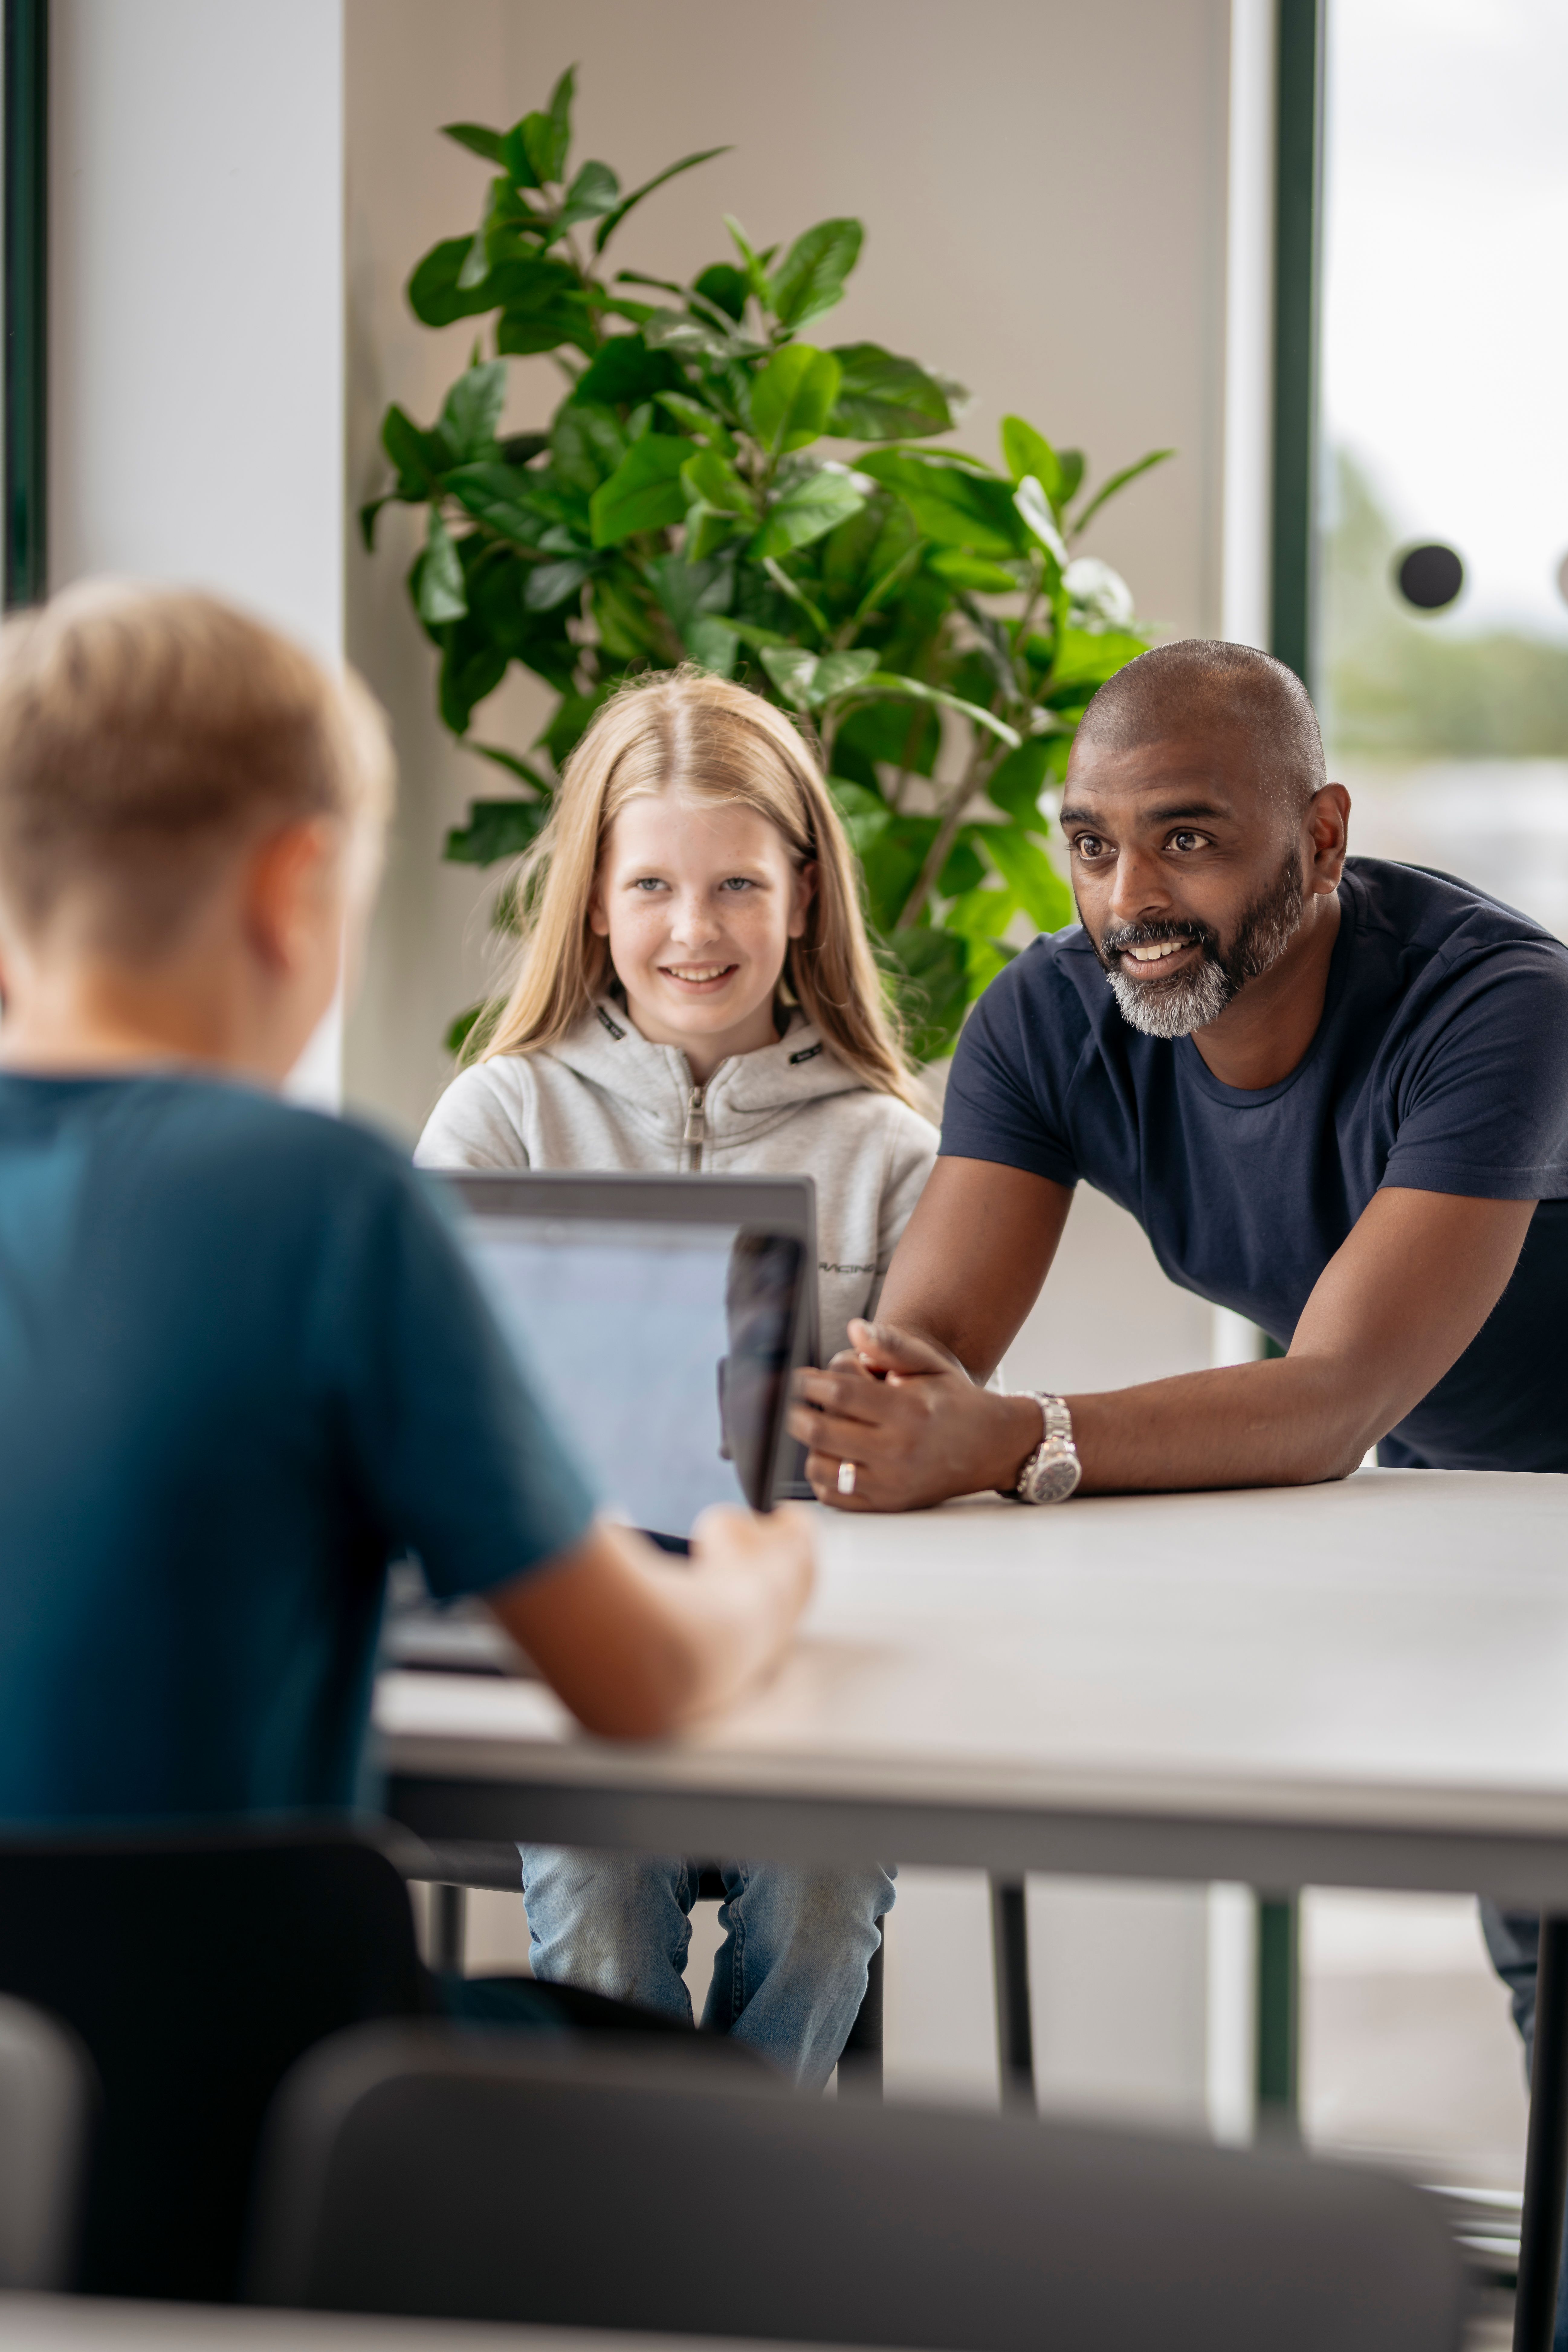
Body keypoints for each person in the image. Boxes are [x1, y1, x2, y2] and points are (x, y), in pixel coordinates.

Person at [789, 635, 1568, 2324]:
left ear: (1322, 835)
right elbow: (921, 1361)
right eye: (1091, 843)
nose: (1128, 897)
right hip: (1468, 1504)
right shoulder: (1047, 1016)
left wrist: (1009, 1438)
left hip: (1519, 1498)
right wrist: (877, 1414)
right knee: (1545, 1963)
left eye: (1188, 839)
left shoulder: (1497, 1002)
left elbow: (1331, 1396)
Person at [0, 586, 812, 1891]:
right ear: (293, 890)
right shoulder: (325, 1200)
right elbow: (642, 1678)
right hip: (241, 2012)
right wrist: (762, 1578)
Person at [417, 667, 937, 2088]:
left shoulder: (892, 1151)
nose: (692, 930)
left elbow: (930, 1447)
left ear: (804, 897)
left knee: (827, 1889)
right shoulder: (501, 1114)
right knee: (596, 1879)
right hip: (567, 1631)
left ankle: (742, 2178)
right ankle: (617, 2192)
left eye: (736, 886)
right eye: (649, 884)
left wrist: (878, 1435)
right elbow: (433, 1417)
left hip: (808, 1646)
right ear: (593, 900)